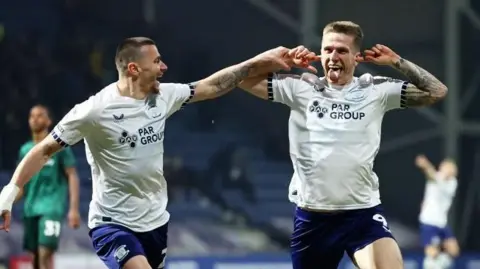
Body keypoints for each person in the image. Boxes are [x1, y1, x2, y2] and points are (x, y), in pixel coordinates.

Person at [0, 37, 316, 269]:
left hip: (155, 223)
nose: (164, 67)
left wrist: (264, 59)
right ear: (134, 68)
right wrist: (10, 193)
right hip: (112, 224)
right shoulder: (94, 111)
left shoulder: (164, 96)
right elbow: (43, 151)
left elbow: (213, 86)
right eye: (157, 62)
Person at [239, 21, 448, 269]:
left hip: (361, 214)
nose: (333, 56)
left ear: (357, 57)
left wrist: (397, 62)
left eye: (341, 50)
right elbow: (241, 79)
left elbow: (436, 91)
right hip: (313, 218)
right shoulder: (300, 87)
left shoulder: (375, 89)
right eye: (328, 50)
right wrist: (274, 60)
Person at [17, 105, 81, 269]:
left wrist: (73, 209)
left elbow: (72, 175)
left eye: (40, 115)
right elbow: (20, 185)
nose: (35, 119)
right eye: (32, 116)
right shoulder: (25, 150)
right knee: (35, 260)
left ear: (49, 121)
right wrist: (5, 205)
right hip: (30, 209)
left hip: (51, 208)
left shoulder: (59, 147)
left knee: (45, 255)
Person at [415, 154, 459, 269]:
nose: (448, 170)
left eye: (451, 168)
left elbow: (433, 176)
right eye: (445, 167)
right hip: (429, 220)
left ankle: (436, 263)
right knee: (431, 252)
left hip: (441, 222)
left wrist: (425, 164)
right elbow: (432, 176)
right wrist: (426, 167)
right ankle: (430, 263)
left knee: (454, 251)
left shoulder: (452, 183)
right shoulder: (436, 176)